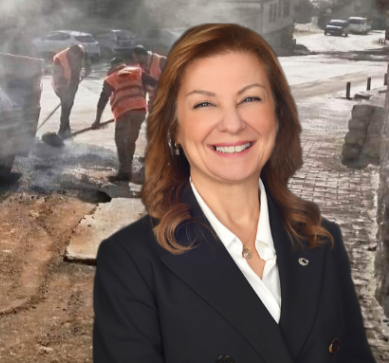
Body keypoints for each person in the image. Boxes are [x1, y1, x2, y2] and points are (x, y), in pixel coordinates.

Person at [93, 24, 374, 363]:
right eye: (204, 103)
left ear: (279, 115)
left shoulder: (322, 243)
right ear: (175, 129)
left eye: (250, 99)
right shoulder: (131, 263)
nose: (232, 123)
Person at [92, 57, 157, 182]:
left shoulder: (111, 78)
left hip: (124, 111)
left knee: (121, 140)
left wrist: (97, 120)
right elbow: (157, 84)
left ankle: (125, 172)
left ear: (112, 68)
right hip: (140, 110)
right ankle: (128, 168)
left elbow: (102, 100)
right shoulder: (137, 71)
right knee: (131, 140)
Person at [51, 44, 87, 137]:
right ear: (71, 53)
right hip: (61, 84)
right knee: (66, 104)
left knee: (69, 104)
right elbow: (57, 77)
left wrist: (88, 69)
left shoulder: (80, 52)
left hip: (73, 82)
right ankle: (63, 129)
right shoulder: (59, 59)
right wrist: (63, 91)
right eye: (75, 57)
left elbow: (87, 62)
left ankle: (66, 127)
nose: (76, 59)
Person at [132, 45, 166, 111]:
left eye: (138, 57)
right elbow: (142, 88)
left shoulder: (161, 61)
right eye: (134, 58)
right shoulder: (139, 68)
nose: (136, 60)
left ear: (144, 55)